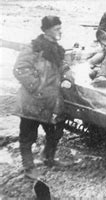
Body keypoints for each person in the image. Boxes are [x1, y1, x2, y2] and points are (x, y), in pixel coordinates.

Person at [13, 16, 74, 179]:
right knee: (27, 136)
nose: (60, 31)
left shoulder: (57, 49)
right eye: (56, 29)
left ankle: (48, 158)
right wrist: (37, 87)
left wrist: (67, 78)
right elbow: (20, 69)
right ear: (46, 30)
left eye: (60, 28)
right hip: (33, 100)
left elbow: (64, 66)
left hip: (52, 101)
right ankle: (29, 167)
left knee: (56, 131)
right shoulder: (33, 48)